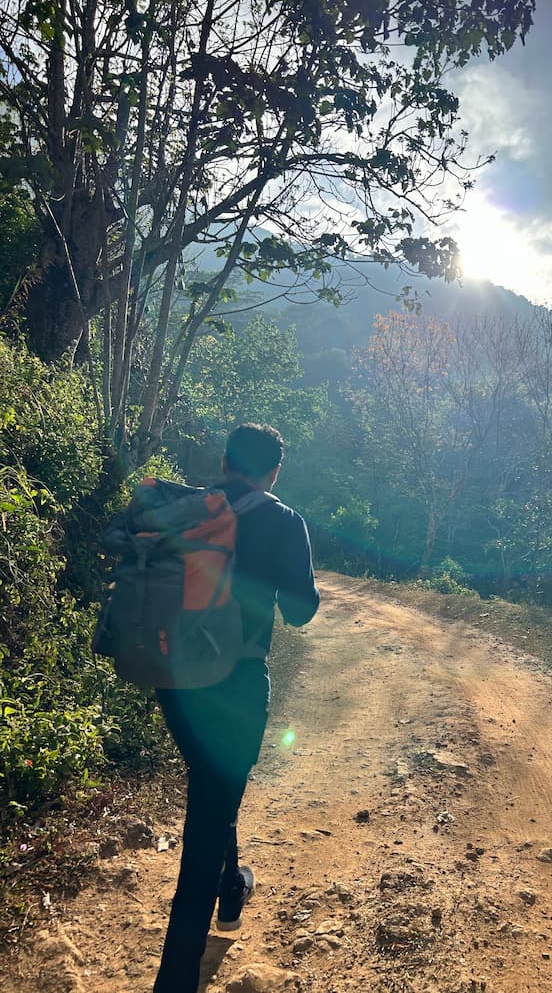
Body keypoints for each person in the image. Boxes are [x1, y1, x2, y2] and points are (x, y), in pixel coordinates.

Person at [153, 423, 320, 993]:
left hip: (173, 682)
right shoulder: (283, 520)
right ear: (274, 473)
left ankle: (231, 891)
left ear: (223, 461)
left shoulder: (186, 506)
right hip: (237, 686)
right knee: (208, 818)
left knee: (213, 791)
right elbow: (300, 613)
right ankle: (175, 979)